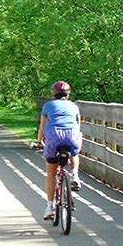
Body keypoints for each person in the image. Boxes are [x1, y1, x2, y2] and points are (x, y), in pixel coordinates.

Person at [37, 81, 83, 220]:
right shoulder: (74, 106)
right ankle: (75, 175)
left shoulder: (48, 106)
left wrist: (39, 142)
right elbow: (78, 125)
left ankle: (50, 207)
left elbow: (42, 126)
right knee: (74, 152)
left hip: (54, 138)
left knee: (51, 172)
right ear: (68, 94)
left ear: (53, 94)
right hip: (71, 136)